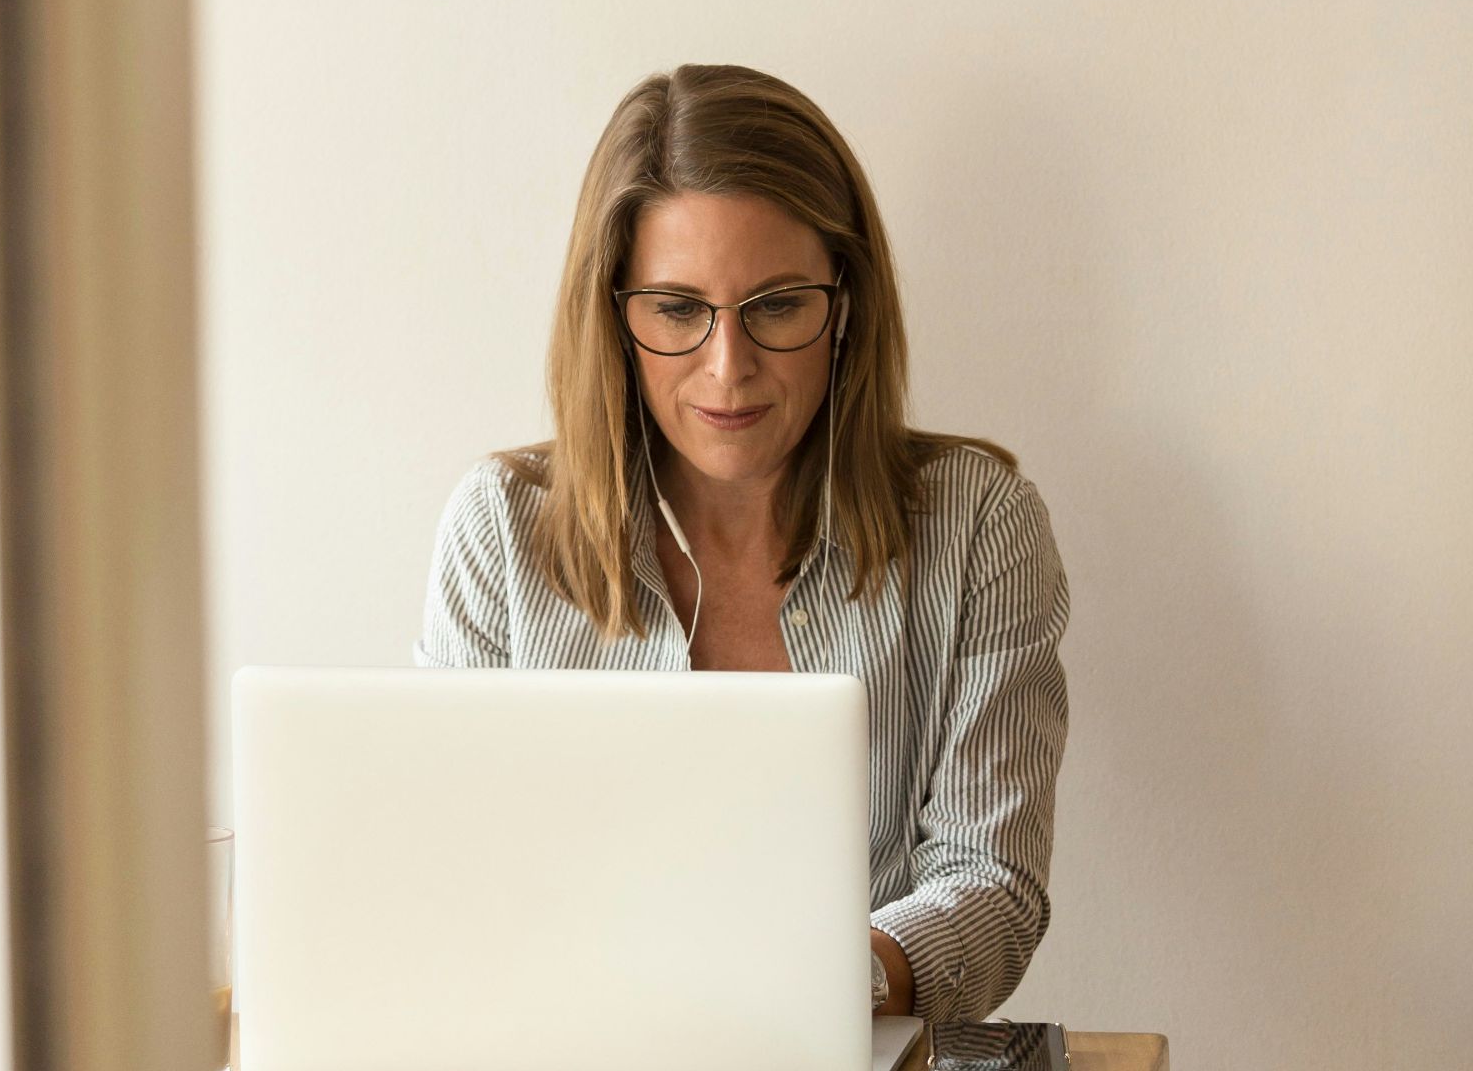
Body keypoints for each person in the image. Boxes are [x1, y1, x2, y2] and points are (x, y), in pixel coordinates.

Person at [412, 63, 1070, 1025]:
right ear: (614, 316)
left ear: (844, 303)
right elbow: (448, 873)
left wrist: (824, 986)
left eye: (776, 306)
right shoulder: (500, 530)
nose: (729, 369)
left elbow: (992, 885)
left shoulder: (978, 525)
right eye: (678, 310)